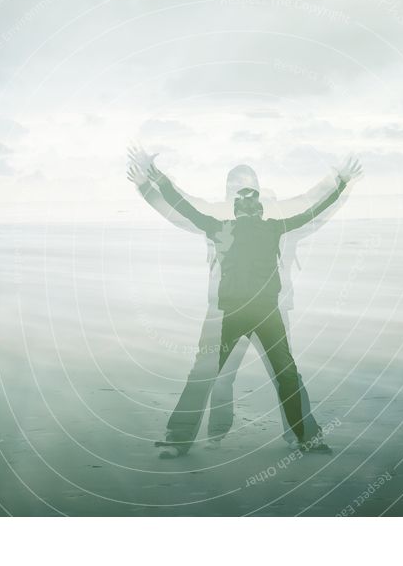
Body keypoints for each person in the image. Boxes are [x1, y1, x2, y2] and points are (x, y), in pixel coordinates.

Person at [130, 151, 362, 458]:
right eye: (240, 192)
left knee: (276, 375)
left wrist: (341, 184)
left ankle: (303, 435)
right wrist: (150, 181)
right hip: (236, 312)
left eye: (248, 191)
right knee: (226, 374)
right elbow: (180, 206)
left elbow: (313, 209)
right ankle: (183, 437)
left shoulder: (253, 225)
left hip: (255, 312)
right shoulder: (241, 224)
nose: (245, 197)